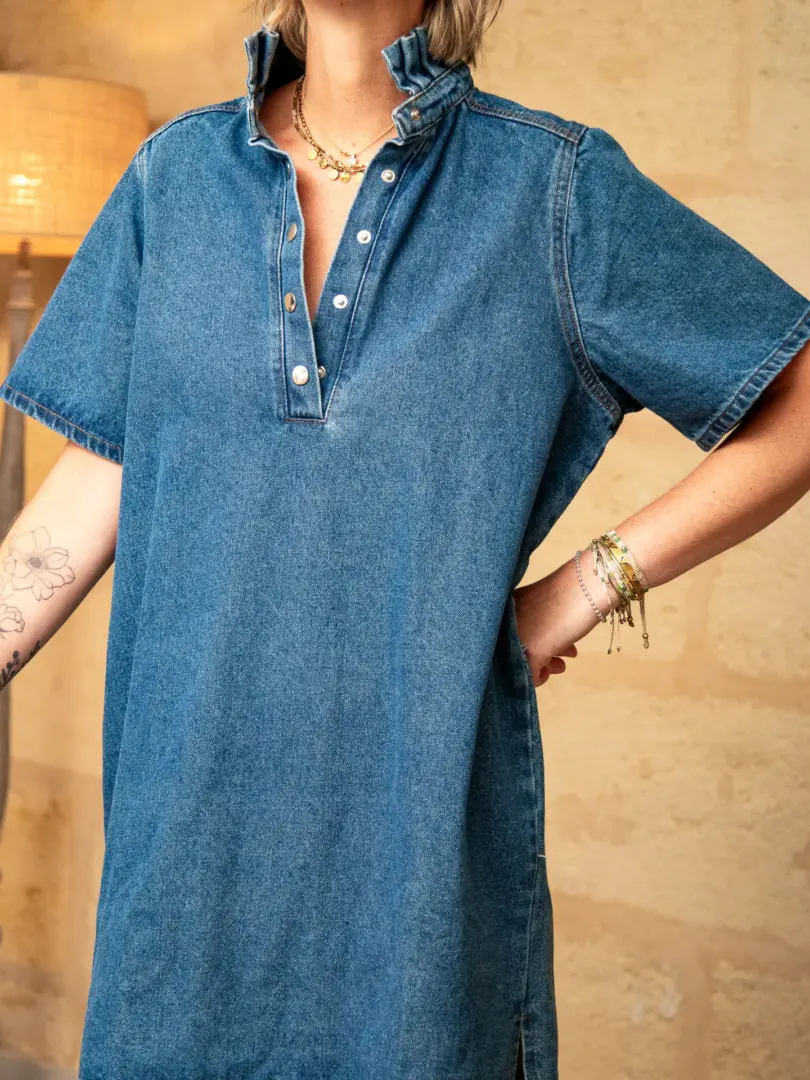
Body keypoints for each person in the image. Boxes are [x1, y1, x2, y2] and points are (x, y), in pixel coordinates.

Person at [1, 0, 809, 1077]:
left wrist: (581, 590)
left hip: (418, 911)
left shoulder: (550, 192)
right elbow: (100, 482)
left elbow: (795, 401)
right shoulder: (172, 182)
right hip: (181, 895)